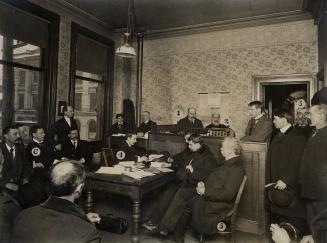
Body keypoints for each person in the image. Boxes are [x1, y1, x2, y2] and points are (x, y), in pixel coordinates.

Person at [172, 137, 245, 242]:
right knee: (183, 193)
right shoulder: (228, 163)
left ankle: (177, 234)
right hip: (211, 196)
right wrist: (203, 184)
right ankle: (175, 232)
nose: (221, 149)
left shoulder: (237, 169)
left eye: (223, 147)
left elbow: (227, 195)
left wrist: (205, 191)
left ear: (231, 150)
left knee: (190, 200)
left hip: (217, 205)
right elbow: (216, 180)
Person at [11, 160, 100, 243]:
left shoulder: (22, 216)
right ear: (79, 188)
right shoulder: (88, 233)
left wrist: (82, 218)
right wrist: (83, 223)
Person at [155, 134, 217, 236]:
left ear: (198, 144)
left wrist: (193, 171)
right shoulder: (195, 151)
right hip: (188, 181)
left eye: (191, 145)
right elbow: (183, 161)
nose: (188, 147)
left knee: (176, 192)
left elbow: (208, 176)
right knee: (169, 191)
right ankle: (159, 224)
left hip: (196, 185)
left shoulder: (208, 157)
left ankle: (165, 227)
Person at [267, 110, 308, 238]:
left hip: (287, 184)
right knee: (277, 216)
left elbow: (297, 161)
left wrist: (286, 180)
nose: (273, 122)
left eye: (275, 119)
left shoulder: (297, 136)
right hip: (276, 181)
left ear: (284, 119)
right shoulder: (278, 133)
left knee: (288, 215)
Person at [142, 132, 193, 230]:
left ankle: (156, 223)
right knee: (167, 191)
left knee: (168, 192)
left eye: (188, 140)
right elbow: (181, 156)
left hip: (188, 182)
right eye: (185, 140)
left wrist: (172, 164)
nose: (186, 142)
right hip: (183, 179)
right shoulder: (190, 148)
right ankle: (153, 220)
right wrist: (171, 158)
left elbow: (184, 162)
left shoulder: (197, 151)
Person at [300, 104, 327, 243]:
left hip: (321, 189)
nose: (308, 116)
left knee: (321, 227)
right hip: (310, 187)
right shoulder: (314, 132)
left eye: (311, 113)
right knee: (311, 224)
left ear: (321, 116)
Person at [0, 125, 30, 243]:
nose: (18, 136)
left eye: (18, 133)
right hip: (3, 189)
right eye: (15, 134)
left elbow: (26, 165)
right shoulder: (0, 149)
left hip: (19, 186)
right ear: (5, 136)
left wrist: (26, 178)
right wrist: (5, 184)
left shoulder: (19, 147)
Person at [26, 125, 57, 206]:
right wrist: (34, 164)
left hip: (48, 171)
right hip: (38, 174)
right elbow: (28, 162)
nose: (44, 134)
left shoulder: (47, 144)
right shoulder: (31, 146)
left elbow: (52, 157)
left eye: (44, 133)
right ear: (34, 135)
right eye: (41, 133)